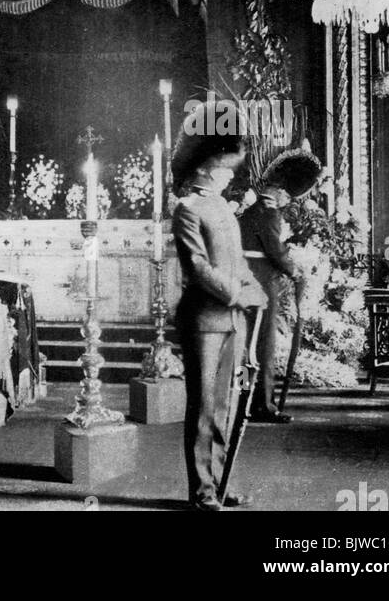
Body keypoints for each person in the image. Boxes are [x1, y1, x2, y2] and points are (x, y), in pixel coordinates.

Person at [171, 101, 267, 511]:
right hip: (204, 320)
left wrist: (252, 286)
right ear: (206, 167)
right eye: (225, 167)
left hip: (232, 321)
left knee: (226, 406)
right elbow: (197, 267)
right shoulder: (188, 210)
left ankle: (221, 483)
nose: (230, 174)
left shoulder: (223, 209)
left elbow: (236, 260)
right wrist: (237, 292)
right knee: (204, 408)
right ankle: (202, 491)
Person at [241, 149, 322, 423]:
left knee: (248, 345)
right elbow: (275, 251)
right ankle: (263, 405)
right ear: (278, 192)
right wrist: (295, 270)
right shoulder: (269, 213)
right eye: (287, 196)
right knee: (264, 345)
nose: (287, 201)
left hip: (247, 283)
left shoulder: (250, 211)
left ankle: (246, 400)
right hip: (263, 285)